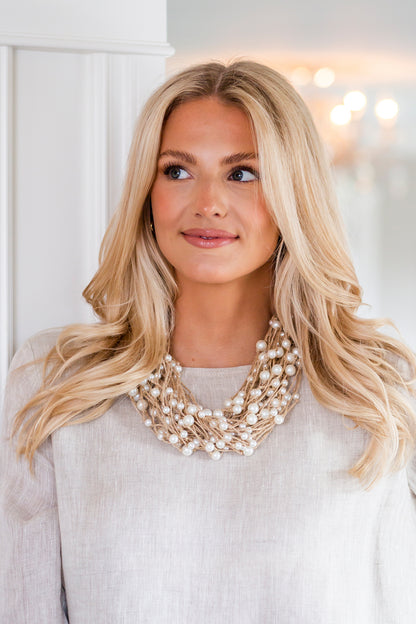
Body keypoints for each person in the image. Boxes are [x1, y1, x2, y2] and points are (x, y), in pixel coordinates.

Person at [1, 60, 415, 624]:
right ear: (147, 192)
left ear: (294, 194)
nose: (208, 202)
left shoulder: (375, 389)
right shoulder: (56, 381)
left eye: (242, 173)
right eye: (177, 170)